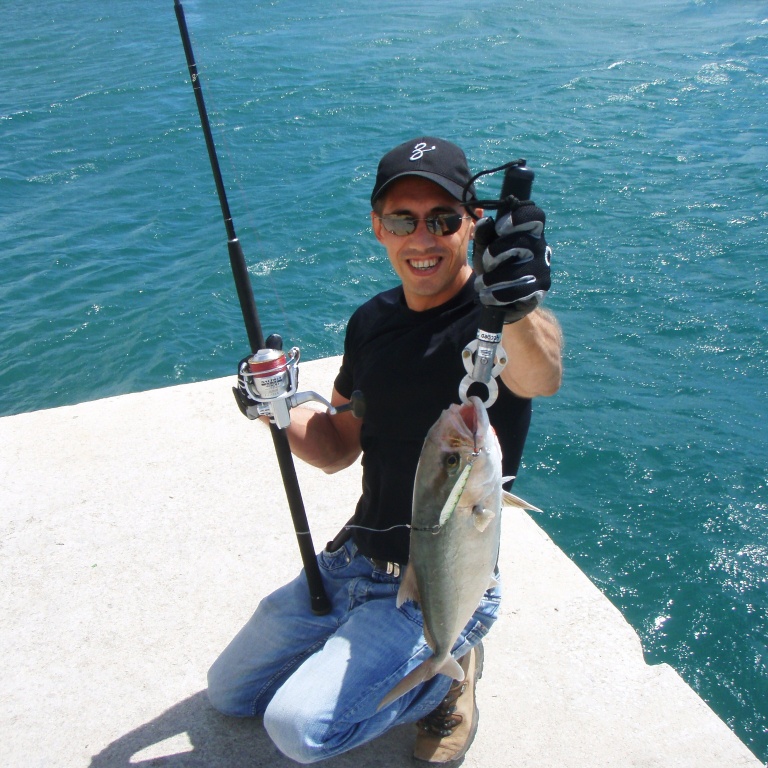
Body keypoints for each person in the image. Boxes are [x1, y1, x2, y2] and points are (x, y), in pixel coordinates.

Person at [207, 137, 563, 764]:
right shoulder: (370, 321)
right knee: (231, 695)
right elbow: (337, 445)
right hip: (352, 561)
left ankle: (451, 673)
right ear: (378, 228)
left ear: (472, 224)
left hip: (439, 580)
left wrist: (517, 301)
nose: (421, 239)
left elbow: (541, 375)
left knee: (298, 730)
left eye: (443, 220)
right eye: (402, 220)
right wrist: (275, 408)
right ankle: (370, 640)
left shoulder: (496, 320)